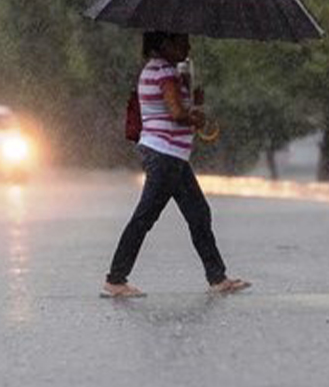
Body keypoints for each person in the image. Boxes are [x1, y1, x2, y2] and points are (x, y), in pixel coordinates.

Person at [102, 31, 250, 298]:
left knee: (198, 214)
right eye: (182, 42)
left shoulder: (158, 71)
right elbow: (176, 113)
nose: (188, 46)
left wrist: (194, 97)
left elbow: (176, 107)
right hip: (165, 155)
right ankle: (115, 279)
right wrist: (196, 119)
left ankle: (217, 278)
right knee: (145, 217)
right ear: (165, 44)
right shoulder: (164, 72)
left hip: (172, 156)